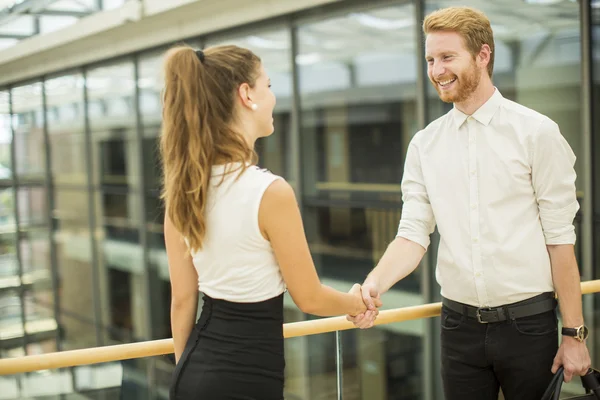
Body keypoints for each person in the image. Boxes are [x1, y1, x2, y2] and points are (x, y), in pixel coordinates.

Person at [347, 6, 591, 400]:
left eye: (447, 57)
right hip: (457, 329)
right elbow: (412, 234)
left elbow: (560, 239)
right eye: (430, 59)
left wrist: (574, 333)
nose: (436, 70)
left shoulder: (537, 133)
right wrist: (374, 284)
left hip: (529, 327)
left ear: (483, 55)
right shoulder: (425, 144)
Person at [160, 44, 380, 400]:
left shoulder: (184, 195)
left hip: (193, 374)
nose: (273, 97)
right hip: (247, 381)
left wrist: (187, 376)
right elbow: (309, 297)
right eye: (269, 85)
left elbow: (183, 301)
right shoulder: (270, 193)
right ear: (246, 94)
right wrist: (358, 304)